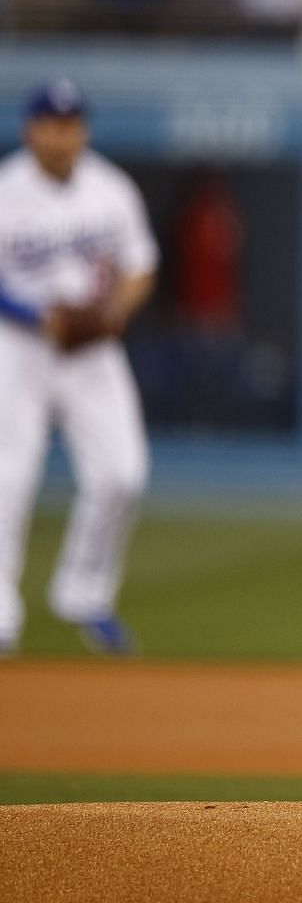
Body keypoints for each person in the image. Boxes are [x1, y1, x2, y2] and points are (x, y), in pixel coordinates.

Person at [0, 79, 158, 657]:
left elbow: (141, 265)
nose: (64, 134)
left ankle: (84, 595)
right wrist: (34, 316)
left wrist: (117, 308)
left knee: (123, 473)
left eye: (72, 123)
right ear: (30, 129)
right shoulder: (7, 191)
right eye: (52, 123)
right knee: (6, 481)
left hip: (92, 351)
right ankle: (0, 614)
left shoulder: (110, 189)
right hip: (18, 349)